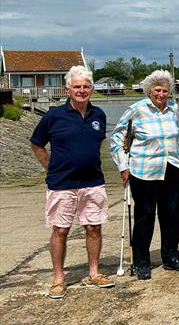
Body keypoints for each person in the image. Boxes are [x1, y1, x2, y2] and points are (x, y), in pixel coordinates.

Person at [30, 65, 115, 298]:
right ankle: (58, 279)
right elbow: (37, 144)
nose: (82, 90)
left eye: (86, 86)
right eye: (77, 86)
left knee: (94, 228)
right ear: (68, 89)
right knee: (61, 230)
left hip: (93, 182)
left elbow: (96, 144)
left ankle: (94, 273)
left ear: (92, 89)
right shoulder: (53, 116)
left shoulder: (99, 115)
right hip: (62, 183)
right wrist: (51, 166)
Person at [110, 70, 179, 280]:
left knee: (172, 216)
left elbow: (175, 139)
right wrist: (123, 166)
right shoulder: (136, 110)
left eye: (165, 90)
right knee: (144, 218)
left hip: (170, 167)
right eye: (157, 90)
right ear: (149, 90)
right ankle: (141, 262)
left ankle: (171, 257)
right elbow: (117, 139)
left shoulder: (173, 108)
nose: (161, 94)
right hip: (143, 170)